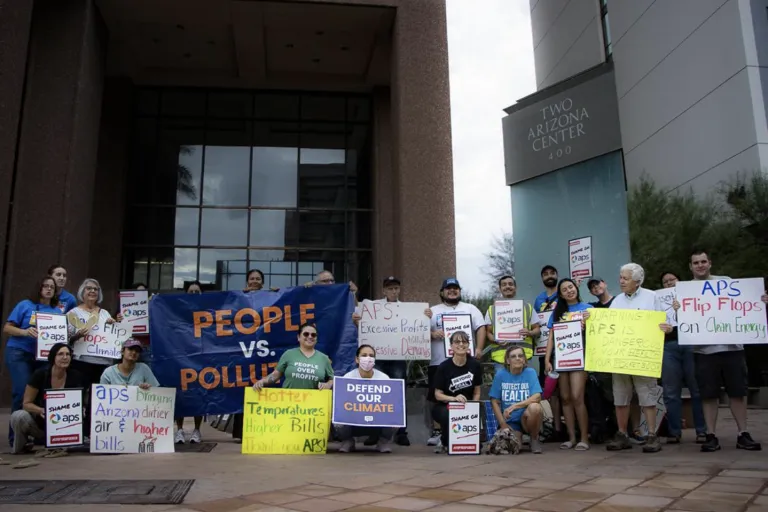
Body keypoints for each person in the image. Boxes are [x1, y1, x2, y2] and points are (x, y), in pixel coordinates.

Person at [683, 250, 765, 452]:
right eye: (696, 263)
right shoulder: (685, 291)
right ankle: (711, 435)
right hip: (703, 351)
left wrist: (760, 300)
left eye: (703, 261)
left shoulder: (727, 282)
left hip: (732, 348)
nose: (700, 265)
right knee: (708, 394)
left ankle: (743, 433)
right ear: (691, 267)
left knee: (738, 391)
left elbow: (747, 303)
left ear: (710, 263)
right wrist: (677, 308)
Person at [351, 276, 432, 446]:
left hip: (398, 357)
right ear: (384, 290)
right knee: (376, 394)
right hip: (377, 358)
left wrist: (427, 317)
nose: (393, 291)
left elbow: (419, 329)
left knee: (398, 393)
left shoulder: (409, 310)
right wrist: (357, 321)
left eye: (396, 288)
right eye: (390, 288)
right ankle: (375, 432)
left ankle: (401, 432)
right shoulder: (373, 307)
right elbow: (364, 329)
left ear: (399, 289)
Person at [605, 263, 673, 454]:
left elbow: (666, 322)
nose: (621, 281)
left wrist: (667, 328)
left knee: (647, 395)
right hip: (620, 357)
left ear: (637, 281)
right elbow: (607, 326)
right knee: (620, 396)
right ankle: (622, 434)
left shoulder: (652, 297)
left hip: (644, 356)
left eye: (625, 278)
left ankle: (652, 435)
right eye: (620, 277)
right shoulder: (617, 301)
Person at [3, 276, 62, 446]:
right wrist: (24, 332)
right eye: (45, 286)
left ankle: (37, 434)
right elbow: (7, 328)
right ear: (38, 288)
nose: (49, 289)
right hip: (19, 352)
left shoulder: (56, 312)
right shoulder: (24, 305)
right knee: (22, 392)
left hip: (43, 357)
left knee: (41, 395)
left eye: (52, 287)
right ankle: (16, 437)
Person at [427, 278, 487, 446]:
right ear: (442, 292)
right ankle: (440, 432)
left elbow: (480, 327)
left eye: (455, 288)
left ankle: (466, 431)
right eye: (448, 288)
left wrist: (480, 348)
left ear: (460, 291)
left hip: (465, 361)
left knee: (466, 394)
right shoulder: (433, 311)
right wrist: (432, 334)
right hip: (438, 361)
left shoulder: (470, 308)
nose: (452, 291)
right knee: (437, 398)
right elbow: (421, 331)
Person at [658, 271, 707, 444]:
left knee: (697, 389)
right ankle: (674, 431)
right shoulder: (658, 301)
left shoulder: (692, 297)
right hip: (668, 346)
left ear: (680, 281)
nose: (669, 283)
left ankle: (702, 430)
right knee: (670, 391)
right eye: (665, 281)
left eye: (672, 279)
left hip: (691, 344)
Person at [544, 278, 592, 451]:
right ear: (561, 295)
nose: (569, 291)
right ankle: (571, 437)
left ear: (576, 288)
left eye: (571, 287)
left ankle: (584, 437)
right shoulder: (557, 313)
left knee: (577, 396)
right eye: (565, 289)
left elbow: (596, 334)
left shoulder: (588, 309)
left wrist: (589, 323)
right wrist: (547, 359)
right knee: (565, 398)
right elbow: (550, 337)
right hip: (561, 358)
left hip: (580, 358)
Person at [10, 343, 83, 455]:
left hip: (65, 426)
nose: (65, 357)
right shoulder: (40, 375)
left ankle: (62, 443)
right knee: (18, 416)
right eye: (60, 354)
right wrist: (42, 411)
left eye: (68, 354)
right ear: (53, 357)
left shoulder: (76, 376)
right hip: (41, 425)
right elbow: (26, 404)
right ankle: (20, 449)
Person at [337, 345, 396, 453]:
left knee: (396, 417)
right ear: (357, 359)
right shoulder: (348, 378)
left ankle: (383, 442)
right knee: (337, 418)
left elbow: (390, 402)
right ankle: (348, 441)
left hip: (377, 420)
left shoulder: (384, 378)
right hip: (353, 421)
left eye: (371, 356)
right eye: (364, 355)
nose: (368, 358)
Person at [431, 331, 483, 454]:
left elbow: (477, 392)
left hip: (467, 405)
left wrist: (473, 407)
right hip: (446, 405)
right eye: (457, 342)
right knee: (445, 414)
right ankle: (445, 440)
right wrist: (454, 399)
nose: (461, 344)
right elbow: (438, 395)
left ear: (468, 345)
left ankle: (469, 440)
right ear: (451, 346)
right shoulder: (443, 367)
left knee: (477, 448)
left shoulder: (475, 365)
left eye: (464, 341)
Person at [67, 278, 122, 386]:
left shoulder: (105, 313)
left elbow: (113, 338)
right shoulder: (73, 313)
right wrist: (77, 336)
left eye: (95, 289)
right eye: (89, 288)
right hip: (81, 362)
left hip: (103, 363)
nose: (92, 291)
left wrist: (114, 325)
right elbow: (66, 339)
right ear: (82, 292)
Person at [490, 346, 544, 454]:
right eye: (513, 356)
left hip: (527, 416)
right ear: (508, 361)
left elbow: (537, 396)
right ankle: (519, 437)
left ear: (524, 359)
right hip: (511, 421)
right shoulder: (500, 375)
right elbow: (494, 401)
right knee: (514, 447)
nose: (518, 358)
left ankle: (534, 438)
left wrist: (514, 406)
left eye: (520, 356)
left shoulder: (530, 372)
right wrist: (502, 424)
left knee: (535, 407)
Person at [533, 265, 565, 442]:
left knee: (566, 391)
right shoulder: (538, 299)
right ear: (542, 278)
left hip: (565, 348)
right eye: (545, 274)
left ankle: (569, 425)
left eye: (552, 273)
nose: (549, 276)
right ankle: (556, 428)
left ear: (557, 275)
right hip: (545, 349)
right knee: (550, 390)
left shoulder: (563, 295)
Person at [253, 323, 334, 391]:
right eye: (306, 334)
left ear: (316, 339)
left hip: (312, 406)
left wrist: (328, 384)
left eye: (313, 335)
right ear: (298, 337)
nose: (310, 337)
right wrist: (262, 382)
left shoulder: (324, 358)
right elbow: (275, 375)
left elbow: (333, 379)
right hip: (289, 404)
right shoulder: (289, 354)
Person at [484, 275, 540, 372]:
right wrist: (496, 340)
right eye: (504, 285)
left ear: (515, 287)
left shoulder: (528, 307)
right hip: (501, 359)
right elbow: (488, 333)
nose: (507, 286)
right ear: (500, 289)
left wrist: (529, 332)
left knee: (524, 386)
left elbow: (537, 329)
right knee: (503, 387)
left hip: (523, 357)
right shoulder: (492, 309)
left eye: (510, 284)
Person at [175, 281, 204, 444]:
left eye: (197, 292)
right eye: (191, 291)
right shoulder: (177, 310)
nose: (194, 294)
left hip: (199, 358)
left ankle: (197, 430)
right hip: (180, 356)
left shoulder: (208, 310)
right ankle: (179, 430)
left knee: (198, 395)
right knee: (180, 394)